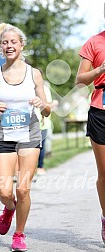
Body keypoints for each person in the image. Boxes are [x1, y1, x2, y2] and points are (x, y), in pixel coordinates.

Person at [0, 23, 50, 251]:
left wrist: (43, 105)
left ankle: (19, 234)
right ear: (0, 47)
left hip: (29, 134)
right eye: (5, 42)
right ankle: (9, 208)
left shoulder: (34, 74)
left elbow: (48, 109)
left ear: (21, 45)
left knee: (22, 189)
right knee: (4, 191)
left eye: (13, 42)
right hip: (4, 137)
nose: (9, 45)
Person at [76, 30, 105, 244]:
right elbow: (80, 80)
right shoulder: (94, 42)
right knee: (104, 173)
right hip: (100, 112)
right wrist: (100, 69)